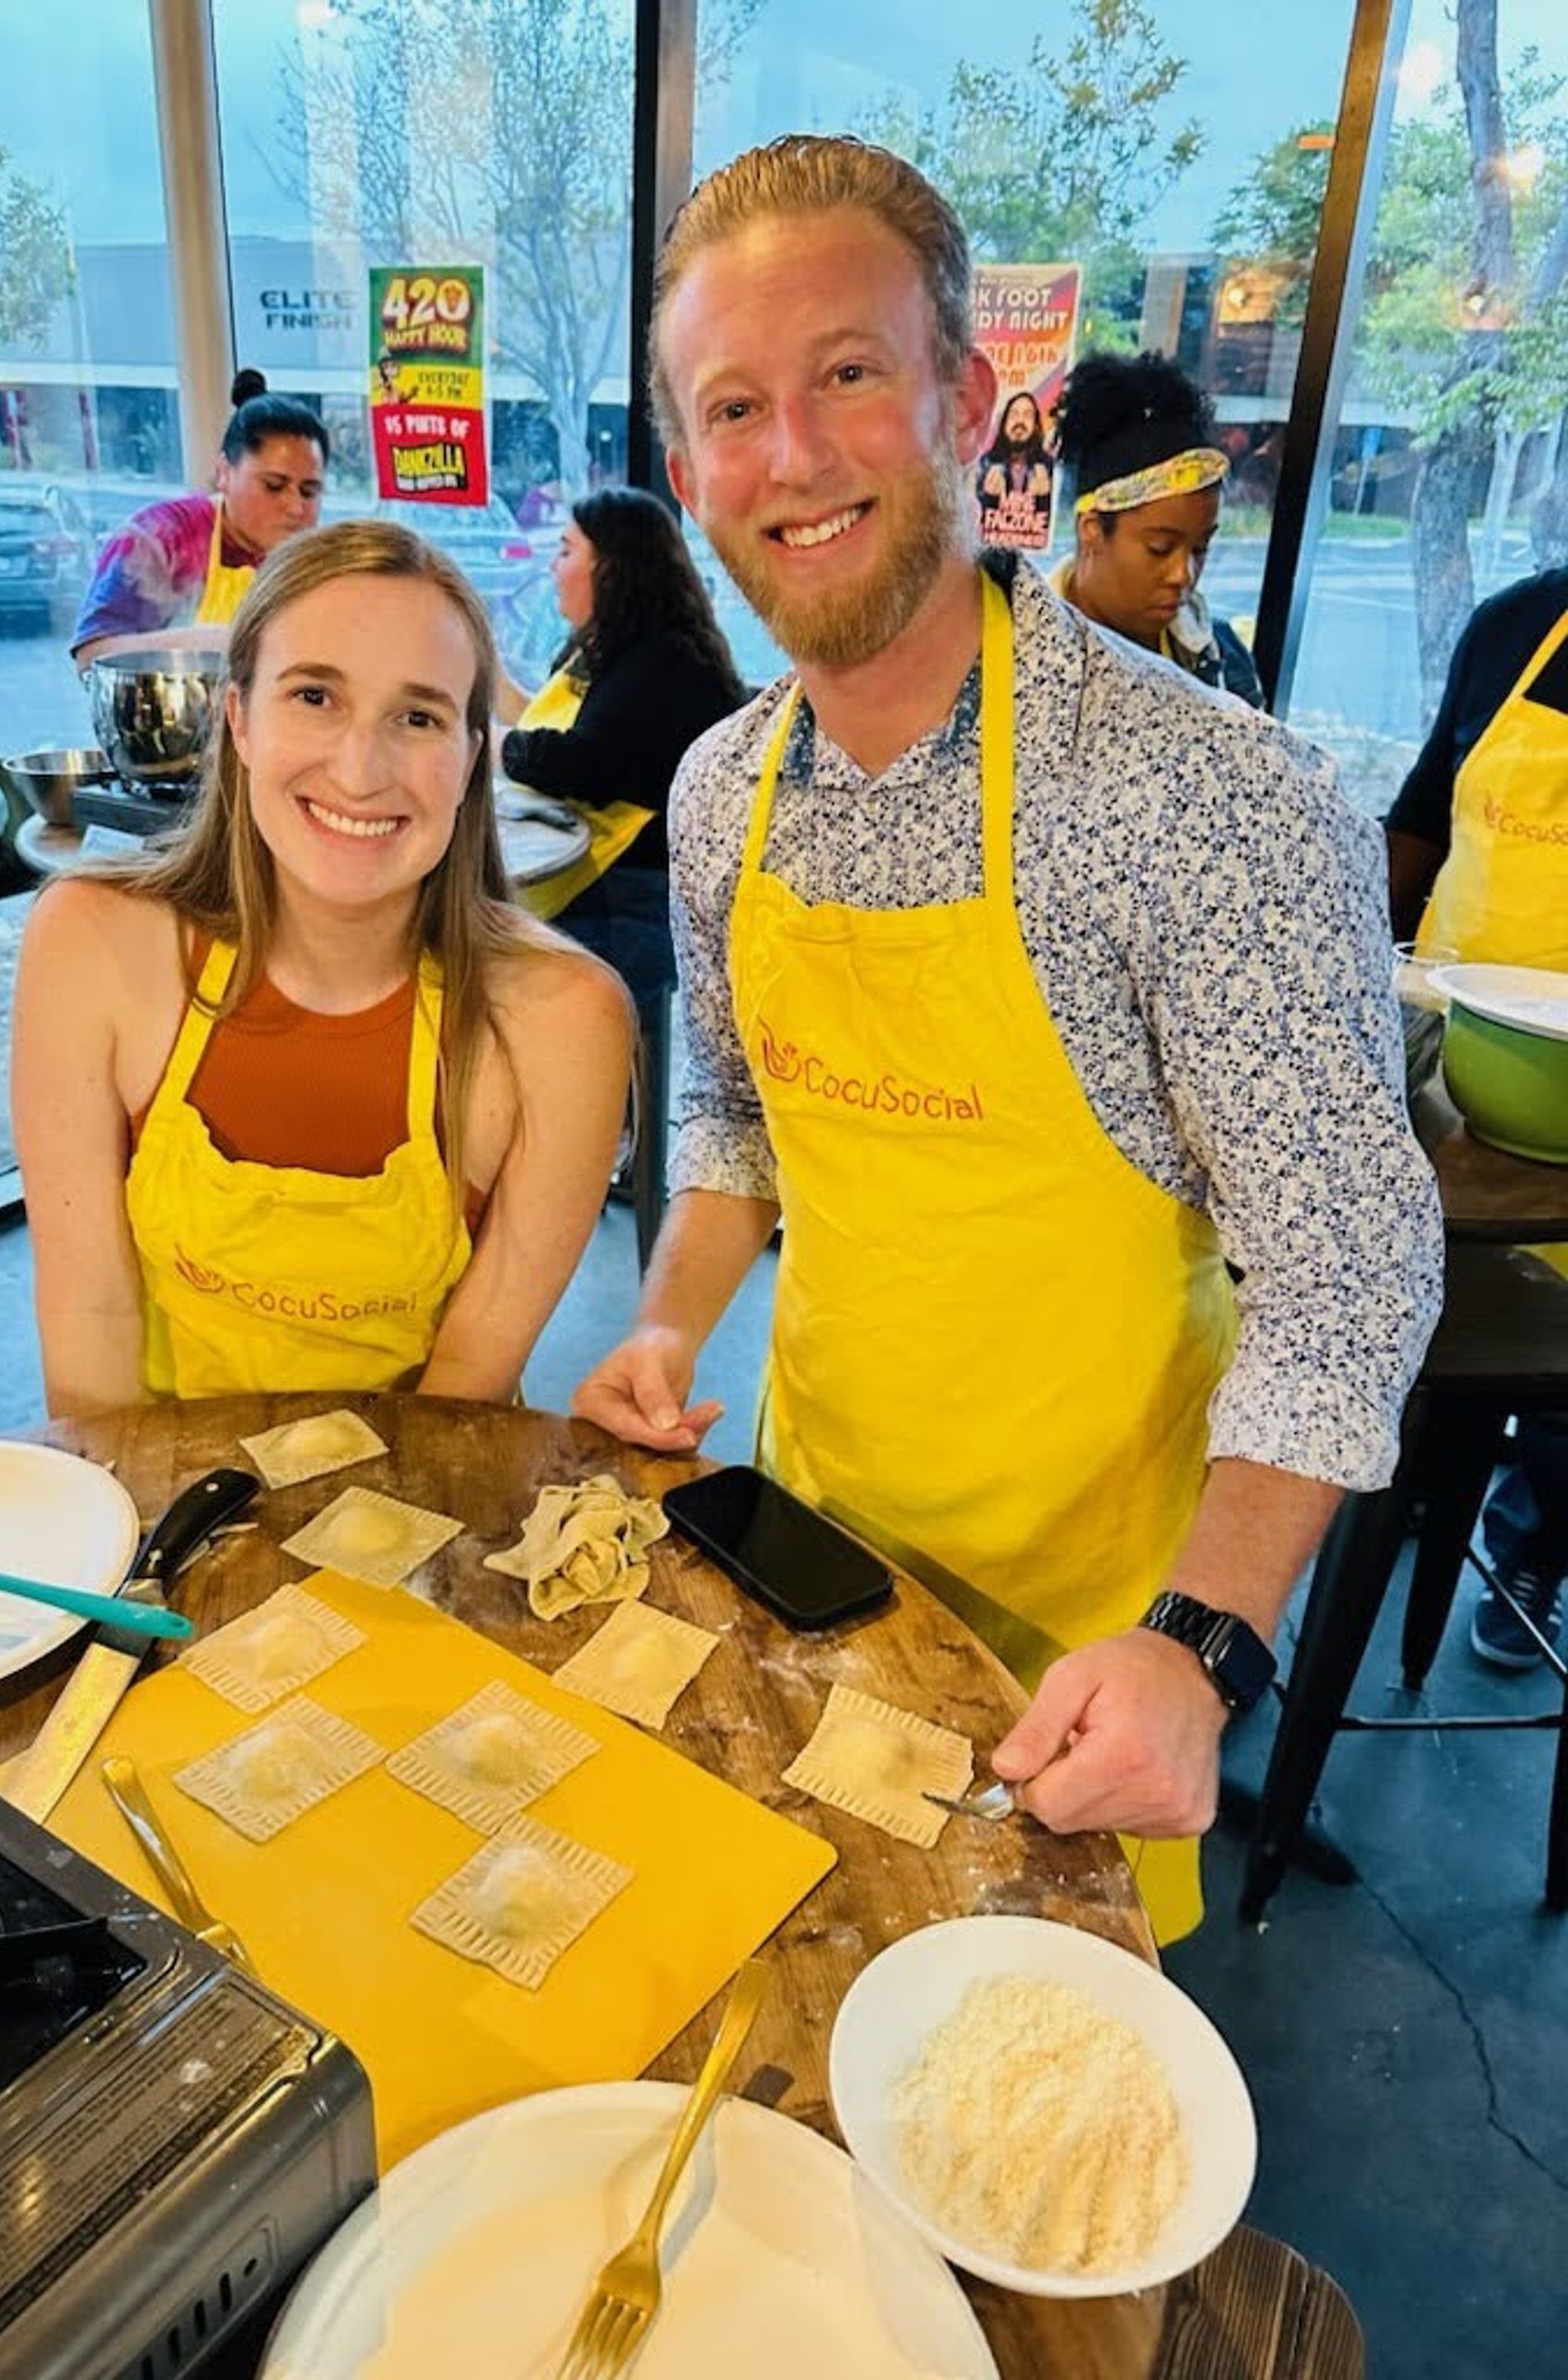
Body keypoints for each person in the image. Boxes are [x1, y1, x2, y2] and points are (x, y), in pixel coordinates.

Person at [573, 133, 1442, 1943]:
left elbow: (1349, 1264)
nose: (791, 454)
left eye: (848, 375)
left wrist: (1206, 1638)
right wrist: (664, 1325)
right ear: (687, 471)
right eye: (736, 406)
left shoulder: (1210, 796)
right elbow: (735, 1111)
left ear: (970, 400)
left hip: (1095, 1624)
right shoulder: (723, 788)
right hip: (813, 1550)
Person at [15, 519, 632, 1419]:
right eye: (314, 697)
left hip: (419, 1509)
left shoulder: (564, 1021)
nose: (360, 768)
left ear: (468, 762)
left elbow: (465, 1387)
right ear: (239, 719)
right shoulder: (89, 945)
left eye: (417, 716)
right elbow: (91, 1325)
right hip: (155, 1513)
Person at [1386, 563, 1568, 1672]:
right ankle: (1399, 1475)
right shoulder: (1516, 625)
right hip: (1458, 1086)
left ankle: (1535, 1535)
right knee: (1390, 1314)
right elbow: (1421, 819)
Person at [494, 487, 745, 1006]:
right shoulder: (613, 646)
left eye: (565, 551)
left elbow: (579, 764)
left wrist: (487, 748)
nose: (552, 567)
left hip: (644, 897)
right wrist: (484, 665)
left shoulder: (665, 665)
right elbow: (546, 725)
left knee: (486, 954)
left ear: (612, 568)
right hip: (616, 879)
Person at [71, 370, 328, 668]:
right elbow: (91, 653)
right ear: (224, 472)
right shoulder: (160, 538)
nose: (296, 508)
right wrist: (210, 643)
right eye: (273, 486)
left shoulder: (312, 563)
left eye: (310, 491)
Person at [1050, 352, 1266, 707]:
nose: (1184, 575)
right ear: (1092, 530)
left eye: (1200, 548)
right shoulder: (1016, 652)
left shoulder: (1226, 665)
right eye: (1160, 547)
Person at [976, 389, 1054, 549]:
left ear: (1036, 425)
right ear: (1004, 423)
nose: (1020, 421)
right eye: (1014, 415)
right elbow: (974, 530)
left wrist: (1043, 500)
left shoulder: (1049, 467)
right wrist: (989, 500)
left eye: (1027, 415)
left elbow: (1049, 537)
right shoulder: (985, 464)